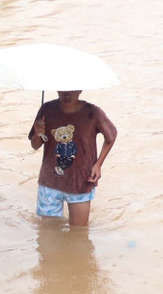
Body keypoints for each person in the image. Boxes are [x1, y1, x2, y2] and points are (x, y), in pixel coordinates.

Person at [29, 90, 116, 226]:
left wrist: (98, 164)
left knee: (79, 232)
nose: (67, 94)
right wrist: (38, 133)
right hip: (50, 182)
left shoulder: (93, 112)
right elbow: (35, 145)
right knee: (48, 234)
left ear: (80, 90)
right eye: (63, 90)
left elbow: (111, 136)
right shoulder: (46, 110)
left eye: (72, 90)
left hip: (81, 181)